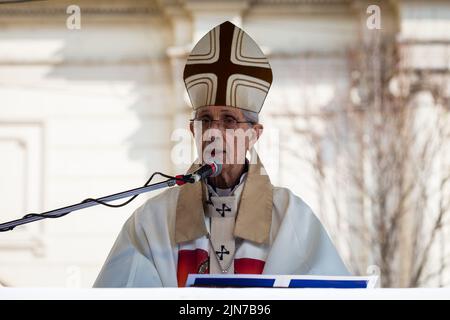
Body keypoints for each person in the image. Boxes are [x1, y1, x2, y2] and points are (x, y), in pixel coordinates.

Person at [94, 21, 349, 288]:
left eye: (228, 120)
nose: (213, 132)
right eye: (205, 119)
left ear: (253, 135)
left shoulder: (290, 218)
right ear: (193, 131)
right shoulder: (154, 221)